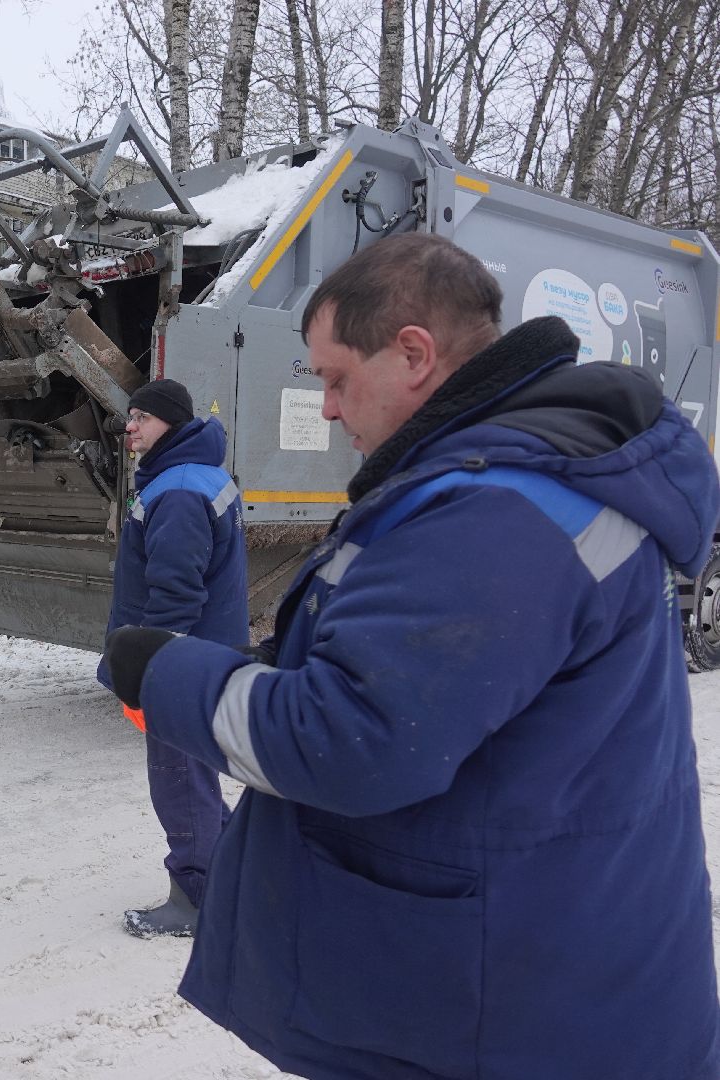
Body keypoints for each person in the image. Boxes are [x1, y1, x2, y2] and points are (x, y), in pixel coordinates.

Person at [105, 234, 720, 1079]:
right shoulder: (528, 477)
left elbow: (348, 738)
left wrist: (167, 671)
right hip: (548, 964)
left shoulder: (496, 514)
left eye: (333, 377)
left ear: (415, 354)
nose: (325, 407)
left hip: (510, 1010)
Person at [99, 378, 247, 938]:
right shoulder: (197, 476)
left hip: (178, 664)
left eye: (142, 417)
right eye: (128, 415)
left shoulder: (180, 491)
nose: (129, 427)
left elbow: (177, 595)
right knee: (197, 777)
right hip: (201, 656)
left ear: (172, 424)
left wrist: (150, 670)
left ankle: (198, 898)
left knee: (180, 779)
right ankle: (230, 877)